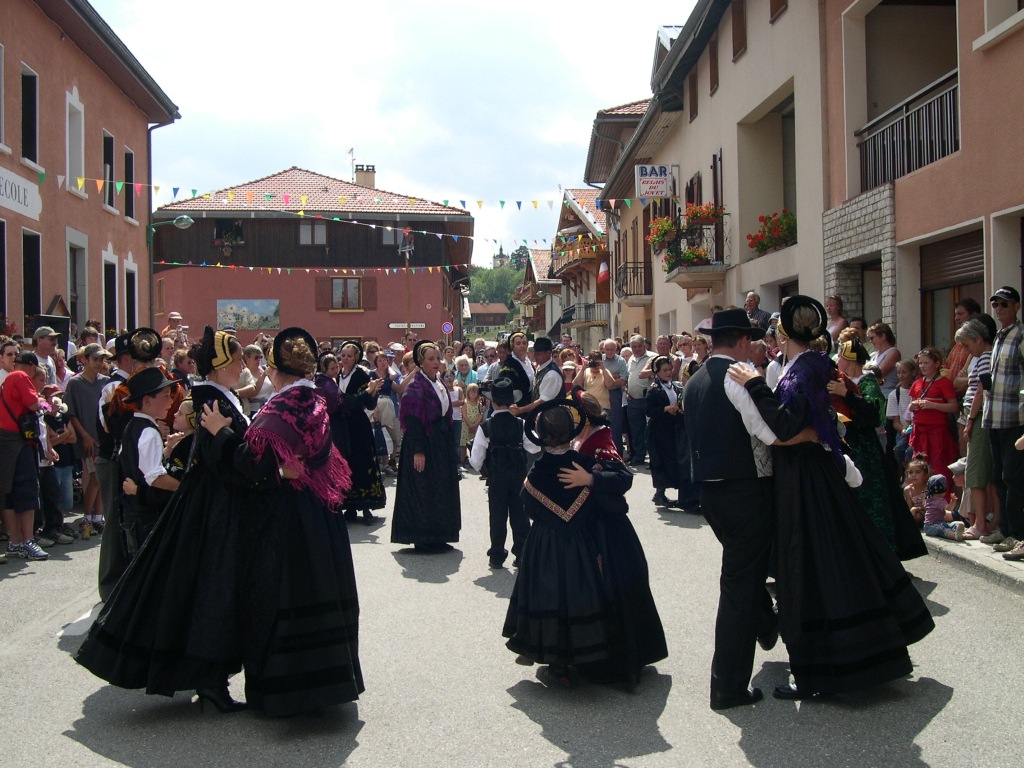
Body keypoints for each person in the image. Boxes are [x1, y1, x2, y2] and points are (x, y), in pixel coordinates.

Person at [730, 296, 934, 700]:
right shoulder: (813, 364)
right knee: (830, 558)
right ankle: (841, 660)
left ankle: (819, 672)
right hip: (811, 470)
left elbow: (787, 426)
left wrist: (754, 385)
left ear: (784, 333)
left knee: (807, 563)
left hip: (805, 476)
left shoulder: (802, 370)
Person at [75, 326, 250, 712]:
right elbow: (161, 473)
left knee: (185, 586)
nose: (173, 396)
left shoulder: (203, 402)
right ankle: (209, 680)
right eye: (237, 360)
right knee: (202, 589)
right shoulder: (201, 404)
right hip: (197, 509)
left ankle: (208, 678)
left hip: (195, 505)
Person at [200, 326, 363, 717]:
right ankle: (328, 684)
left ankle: (285, 689)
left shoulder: (278, 408)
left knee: (280, 593)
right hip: (320, 513)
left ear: (274, 368)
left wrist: (222, 434)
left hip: (286, 516)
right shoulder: (315, 398)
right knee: (321, 585)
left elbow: (253, 463)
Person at [502, 399, 655, 689]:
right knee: (583, 595)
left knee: (548, 596)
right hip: (583, 544)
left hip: (544, 547)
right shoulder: (584, 464)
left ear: (541, 435)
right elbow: (622, 478)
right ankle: (587, 656)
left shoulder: (535, 473)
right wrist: (592, 479)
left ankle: (556, 661)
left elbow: (528, 508)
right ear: (572, 433)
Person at [683, 308, 788, 710]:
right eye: (751, 341)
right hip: (746, 491)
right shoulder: (736, 378)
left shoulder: (694, 381)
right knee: (739, 589)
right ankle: (728, 687)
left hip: (712, 494)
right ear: (742, 341)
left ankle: (765, 621)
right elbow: (769, 432)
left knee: (744, 571)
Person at [830, 338, 927, 560]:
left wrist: (847, 394)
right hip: (847, 445)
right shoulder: (840, 380)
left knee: (872, 500)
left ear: (850, 359)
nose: (839, 362)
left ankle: (883, 555)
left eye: (842, 358)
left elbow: (875, 415)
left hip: (865, 449)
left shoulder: (867, 382)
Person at [392, 341, 461, 551]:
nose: (435, 362)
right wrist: (418, 451)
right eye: (430, 359)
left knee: (439, 488)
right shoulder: (416, 387)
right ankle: (422, 537)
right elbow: (413, 422)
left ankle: (439, 534)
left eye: (437, 358)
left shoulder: (439, 382)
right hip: (423, 443)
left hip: (439, 443)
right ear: (421, 362)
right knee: (423, 489)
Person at [469, 378, 536, 569]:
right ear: (511, 402)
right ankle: (522, 553)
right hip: (518, 476)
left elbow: (475, 460)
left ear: (493, 402)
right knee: (520, 515)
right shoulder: (520, 424)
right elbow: (532, 446)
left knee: (497, 517)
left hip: (497, 476)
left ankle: (496, 555)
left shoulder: (486, 427)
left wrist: (481, 466)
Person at [116, 367, 181, 558]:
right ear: (147, 400)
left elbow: (140, 463)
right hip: (146, 515)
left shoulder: (133, 427)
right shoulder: (149, 432)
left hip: (134, 512)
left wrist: (166, 451)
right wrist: (185, 486)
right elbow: (155, 478)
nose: (170, 401)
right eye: (165, 396)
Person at [981, 286, 1024, 559]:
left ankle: (1018, 535)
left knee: (1014, 477)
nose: (999, 310)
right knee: (998, 477)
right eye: (996, 305)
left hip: (1014, 418)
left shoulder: (1020, 335)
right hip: (994, 417)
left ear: (1017, 306)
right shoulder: (998, 336)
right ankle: (1005, 529)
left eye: (1004, 305)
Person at [0, 352, 48, 561]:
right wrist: (46, 404)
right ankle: (27, 541)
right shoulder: (20, 376)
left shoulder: (9, 378)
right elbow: (33, 404)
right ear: (31, 366)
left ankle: (16, 541)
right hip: (18, 442)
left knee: (8, 493)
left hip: (6, 441)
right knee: (27, 490)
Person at [334, 341, 385, 524]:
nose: (345, 359)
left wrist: (371, 394)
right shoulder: (337, 375)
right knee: (347, 464)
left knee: (362, 462)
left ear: (356, 358)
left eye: (349, 355)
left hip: (358, 425)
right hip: (343, 425)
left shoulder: (362, 375)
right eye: (343, 355)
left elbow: (368, 404)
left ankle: (366, 507)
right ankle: (351, 506)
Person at [958, 318, 998, 540]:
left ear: (979, 339)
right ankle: (990, 520)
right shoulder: (983, 357)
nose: (966, 350)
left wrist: (971, 420)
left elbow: (981, 392)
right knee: (988, 471)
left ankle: (981, 523)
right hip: (981, 416)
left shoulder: (984, 357)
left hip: (980, 416)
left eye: (967, 345)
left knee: (975, 471)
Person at [646, 355, 697, 511]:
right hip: (658, 430)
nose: (668, 373)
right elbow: (648, 410)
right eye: (664, 370)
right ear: (657, 372)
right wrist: (665, 409)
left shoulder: (673, 386)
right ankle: (659, 492)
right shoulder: (654, 389)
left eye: (670, 369)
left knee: (671, 459)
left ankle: (668, 492)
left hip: (671, 429)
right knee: (660, 459)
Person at [908, 347, 959, 495]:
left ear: (937, 364)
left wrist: (932, 405)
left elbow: (953, 406)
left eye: (926, 362)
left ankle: (942, 502)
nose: (922, 366)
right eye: (920, 363)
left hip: (937, 432)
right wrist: (913, 406)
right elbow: (910, 406)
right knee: (919, 467)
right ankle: (920, 501)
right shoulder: (917, 382)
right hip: (919, 431)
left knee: (939, 467)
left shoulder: (944, 382)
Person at [625, 335, 655, 465]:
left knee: (650, 430)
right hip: (633, 399)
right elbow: (628, 376)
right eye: (634, 347)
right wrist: (627, 390)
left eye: (639, 346)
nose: (637, 349)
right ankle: (638, 456)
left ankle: (654, 458)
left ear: (644, 345)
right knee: (636, 430)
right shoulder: (631, 358)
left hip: (648, 399)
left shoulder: (652, 357)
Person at [865, 322, 902, 400]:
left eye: (872, 338)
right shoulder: (873, 355)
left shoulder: (893, 352)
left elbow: (879, 373)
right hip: (872, 397)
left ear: (883, 336)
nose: (870, 341)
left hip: (886, 397)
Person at [922, 474, 965, 541]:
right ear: (944, 491)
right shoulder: (939, 501)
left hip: (934, 523)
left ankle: (958, 530)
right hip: (931, 525)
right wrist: (953, 501)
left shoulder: (929, 498)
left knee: (948, 525)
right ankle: (954, 536)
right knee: (943, 529)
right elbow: (948, 509)